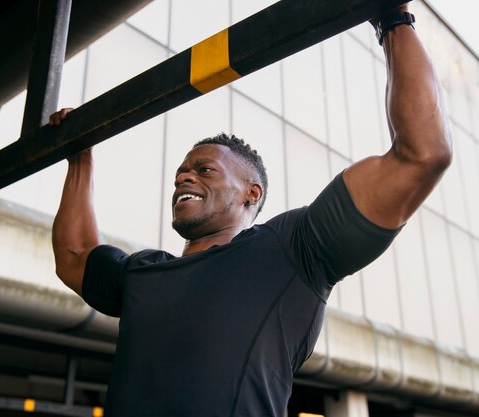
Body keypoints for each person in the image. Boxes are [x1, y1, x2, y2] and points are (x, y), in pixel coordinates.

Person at [50, 3, 451, 416]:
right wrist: (80, 158)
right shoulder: (142, 272)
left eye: (204, 170)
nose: (183, 178)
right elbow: (74, 256)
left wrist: (393, 19)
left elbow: (421, 156)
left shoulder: (292, 251)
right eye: (181, 173)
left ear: (251, 193)